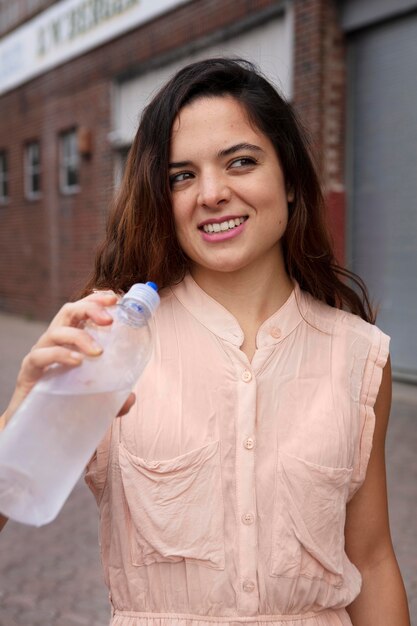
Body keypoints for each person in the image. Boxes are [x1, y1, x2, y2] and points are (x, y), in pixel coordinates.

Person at [0, 58, 411, 625]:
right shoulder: (110, 348)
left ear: (290, 180)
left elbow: (371, 558)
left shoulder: (361, 356)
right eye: (181, 176)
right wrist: (21, 414)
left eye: (240, 162)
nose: (212, 193)